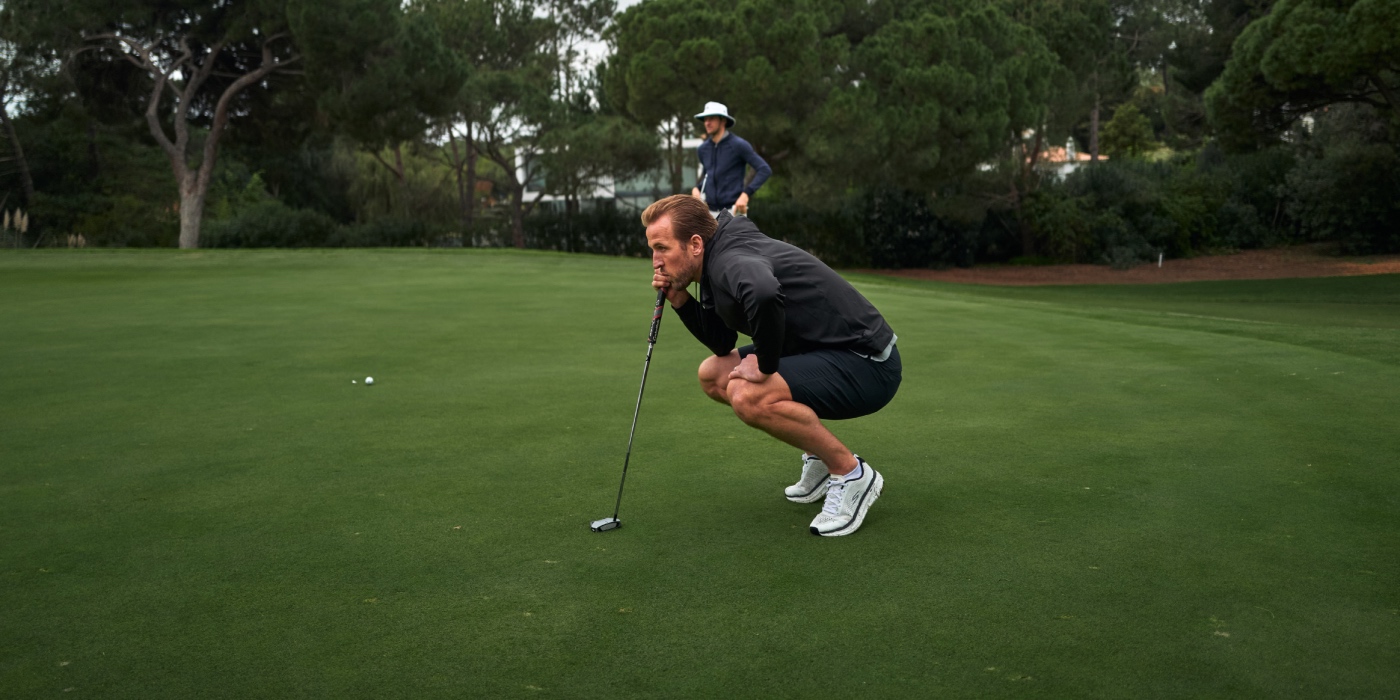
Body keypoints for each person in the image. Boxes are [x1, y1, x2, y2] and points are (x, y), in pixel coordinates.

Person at [643, 194, 901, 536]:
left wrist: (765, 364)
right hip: (819, 351)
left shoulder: (729, 260)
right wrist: (680, 298)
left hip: (867, 362)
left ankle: (851, 473)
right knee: (713, 374)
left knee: (748, 394)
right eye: (653, 249)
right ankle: (820, 460)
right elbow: (722, 343)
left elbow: (763, 292)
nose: (656, 261)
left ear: (694, 244)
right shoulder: (714, 256)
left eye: (662, 248)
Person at [690, 101, 771, 217]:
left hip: (733, 212)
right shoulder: (703, 149)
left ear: (723, 120)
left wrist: (746, 194)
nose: (707, 123)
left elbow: (764, 169)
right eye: (705, 119)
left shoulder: (738, 145)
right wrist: (696, 188)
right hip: (709, 215)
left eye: (711, 118)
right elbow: (707, 175)